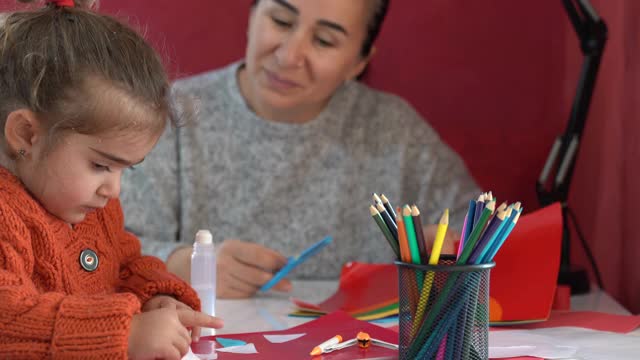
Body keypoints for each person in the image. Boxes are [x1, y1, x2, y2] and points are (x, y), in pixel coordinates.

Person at [121, 0, 480, 299]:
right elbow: (102, 245)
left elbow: (476, 230)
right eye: (280, 20)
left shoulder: (395, 131)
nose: (290, 55)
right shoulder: (173, 117)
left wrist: (446, 247)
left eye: (324, 41)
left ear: (358, 62)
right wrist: (182, 262)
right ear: (252, 15)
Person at [0, 1, 222, 359]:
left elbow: (124, 263)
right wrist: (125, 333)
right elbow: (8, 324)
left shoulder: (90, 208)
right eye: (101, 166)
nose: (113, 190)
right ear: (27, 134)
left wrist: (157, 297)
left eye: (126, 169)